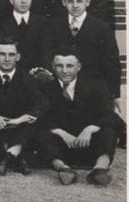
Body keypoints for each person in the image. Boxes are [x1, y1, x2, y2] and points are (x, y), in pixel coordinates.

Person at [38, 48, 119, 186]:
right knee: (41, 133)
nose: (64, 70)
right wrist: (60, 132)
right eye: (59, 65)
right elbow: (40, 116)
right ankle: (63, 169)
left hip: (89, 144)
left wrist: (90, 129)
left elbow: (109, 114)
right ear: (52, 67)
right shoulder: (46, 89)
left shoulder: (96, 86)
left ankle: (99, 169)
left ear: (79, 67)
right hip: (62, 145)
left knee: (109, 130)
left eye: (69, 66)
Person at [0, 37, 48, 174]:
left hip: (18, 125)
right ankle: (17, 157)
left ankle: (7, 157)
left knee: (34, 124)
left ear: (18, 57)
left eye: (11, 55)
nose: (7, 59)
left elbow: (42, 102)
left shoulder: (26, 78)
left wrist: (20, 119)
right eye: (2, 54)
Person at [45, 0, 121, 100]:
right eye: (70, 1)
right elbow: (46, 54)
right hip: (61, 88)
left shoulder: (102, 28)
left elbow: (111, 62)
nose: (75, 5)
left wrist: (115, 94)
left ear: (88, 2)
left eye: (79, 1)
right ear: (63, 2)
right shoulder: (53, 26)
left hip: (92, 89)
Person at [0, 0, 50, 73]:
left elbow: (46, 53)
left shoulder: (42, 22)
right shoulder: (1, 22)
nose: (24, 1)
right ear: (11, 0)